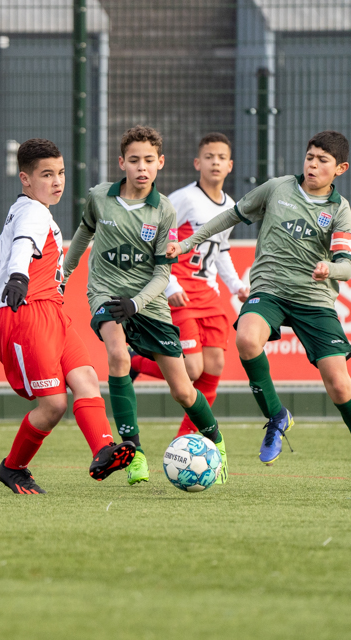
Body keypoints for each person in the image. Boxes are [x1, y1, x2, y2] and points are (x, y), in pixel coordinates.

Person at [166, 130, 351, 492]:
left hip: (314, 300)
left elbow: (347, 266)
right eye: (310, 157)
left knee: (339, 384)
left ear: (340, 169)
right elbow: (229, 216)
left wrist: (330, 269)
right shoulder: (277, 188)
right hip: (269, 289)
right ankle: (276, 416)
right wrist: (189, 242)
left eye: (323, 160)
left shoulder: (339, 210)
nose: (313, 164)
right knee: (246, 339)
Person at [62, 125, 228, 486]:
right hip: (105, 292)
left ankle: (217, 442)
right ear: (121, 162)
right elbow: (83, 234)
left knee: (183, 388)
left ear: (160, 163)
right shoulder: (99, 197)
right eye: (134, 160)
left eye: (149, 160)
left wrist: (136, 304)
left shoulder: (164, 210)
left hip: (147, 303)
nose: (142, 167)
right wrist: (64, 272)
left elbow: (162, 273)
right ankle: (134, 454)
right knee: (118, 355)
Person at [0, 138, 136, 494]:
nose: (57, 182)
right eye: (46, 175)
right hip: (26, 314)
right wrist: (19, 277)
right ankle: (13, 468)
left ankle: (103, 449)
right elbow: (22, 244)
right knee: (53, 405)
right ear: (25, 179)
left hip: (50, 309)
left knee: (85, 376)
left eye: (61, 173)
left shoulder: (26, 210)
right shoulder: (33, 213)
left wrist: (19, 276)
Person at [129, 133, 249, 438]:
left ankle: (187, 439)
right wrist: (169, 285)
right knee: (192, 369)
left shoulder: (231, 205)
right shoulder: (183, 199)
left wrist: (236, 285)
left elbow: (221, 250)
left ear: (230, 165)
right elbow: (159, 241)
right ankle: (137, 361)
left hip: (209, 296)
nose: (215, 163)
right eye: (209, 157)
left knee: (215, 365)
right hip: (181, 294)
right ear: (198, 163)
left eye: (221, 158)